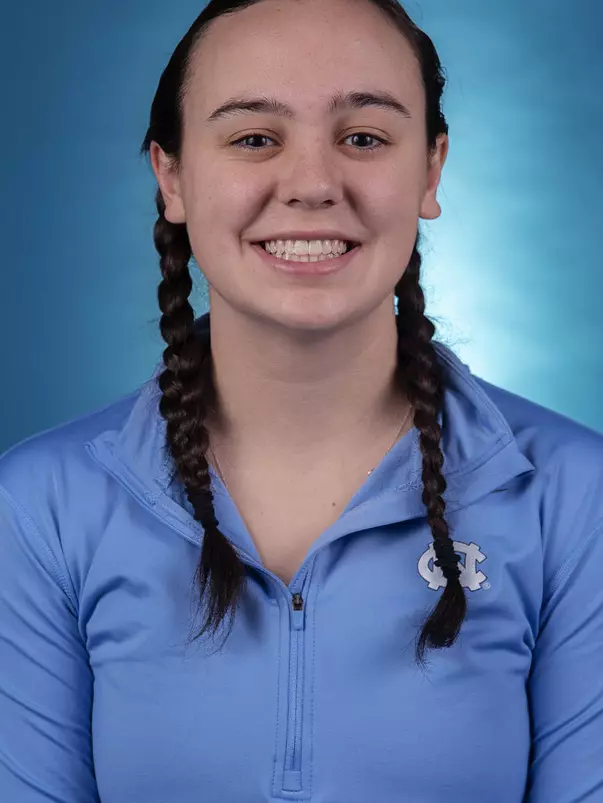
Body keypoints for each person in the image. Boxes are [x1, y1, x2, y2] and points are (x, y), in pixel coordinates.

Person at [1, 0, 602, 800]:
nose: (314, 184)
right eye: (254, 137)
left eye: (363, 138)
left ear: (429, 168)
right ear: (170, 175)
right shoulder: (40, 506)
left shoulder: (573, 495)